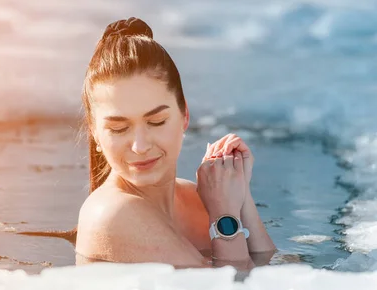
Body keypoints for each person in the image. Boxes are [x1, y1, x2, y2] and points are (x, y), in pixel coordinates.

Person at [75, 17, 276, 269]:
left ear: (185, 116)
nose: (140, 145)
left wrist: (238, 192)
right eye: (119, 128)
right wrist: (224, 215)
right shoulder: (112, 214)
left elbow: (271, 270)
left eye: (156, 121)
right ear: (94, 133)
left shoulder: (196, 197)